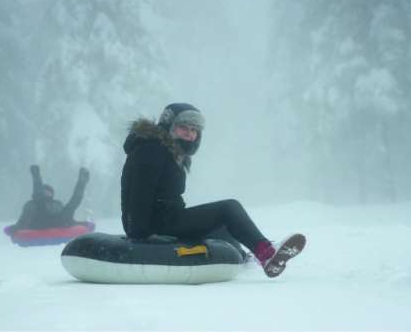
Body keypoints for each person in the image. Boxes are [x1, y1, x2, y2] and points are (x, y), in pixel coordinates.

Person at [120, 103, 305, 278]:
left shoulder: (167, 151)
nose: (189, 134)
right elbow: (139, 194)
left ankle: (246, 259)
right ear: (169, 125)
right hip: (155, 224)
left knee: (223, 227)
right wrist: (141, 234)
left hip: (165, 218)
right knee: (229, 208)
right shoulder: (152, 150)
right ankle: (266, 254)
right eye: (184, 127)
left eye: (194, 130)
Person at [7, 165, 89, 233]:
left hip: (56, 222)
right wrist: (16, 227)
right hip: (39, 222)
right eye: (45, 191)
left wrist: (80, 224)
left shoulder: (57, 203)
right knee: (39, 201)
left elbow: (68, 217)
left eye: (49, 192)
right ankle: (36, 175)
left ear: (52, 194)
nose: (47, 193)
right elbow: (24, 219)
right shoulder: (32, 204)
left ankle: (82, 182)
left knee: (72, 205)